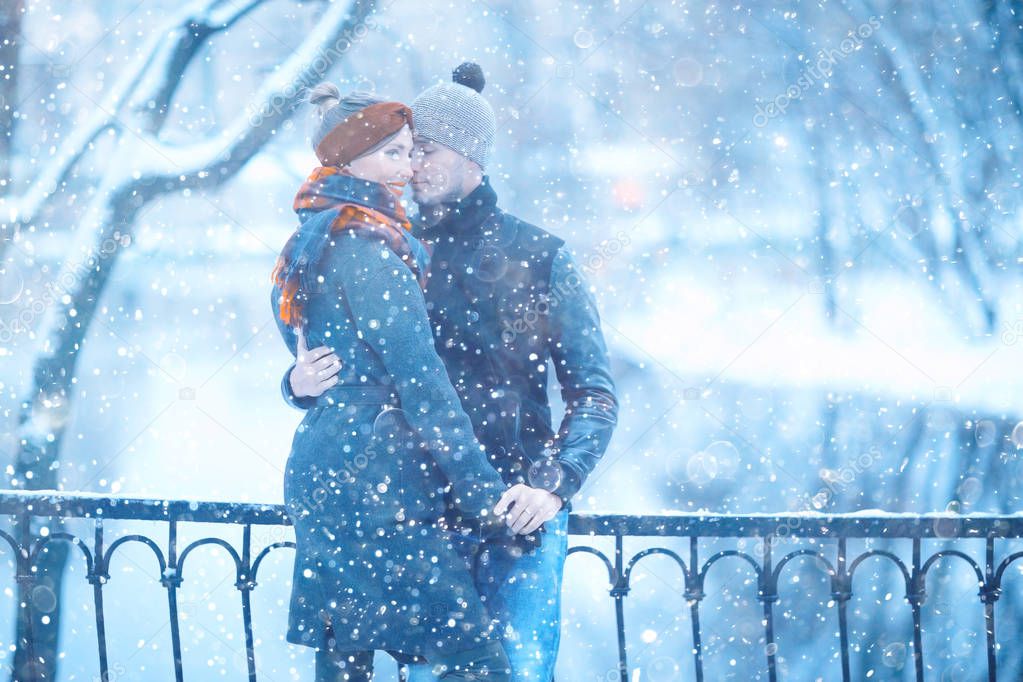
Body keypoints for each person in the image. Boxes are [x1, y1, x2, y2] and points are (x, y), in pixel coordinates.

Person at [285, 63, 619, 680]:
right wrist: (298, 384)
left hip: (518, 509)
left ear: (472, 157)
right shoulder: (381, 245)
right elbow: (353, 365)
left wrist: (553, 483)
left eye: (426, 151)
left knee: (513, 670)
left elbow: (594, 394)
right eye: (405, 152)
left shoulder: (540, 255)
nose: (411, 166)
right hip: (416, 510)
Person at [270, 84, 513, 681]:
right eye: (393, 154)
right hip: (375, 484)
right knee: (476, 661)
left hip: (334, 468)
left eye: (410, 153)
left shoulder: (315, 237)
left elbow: (317, 358)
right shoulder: (370, 250)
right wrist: (486, 495)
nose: (407, 169)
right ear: (349, 161)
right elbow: (423, 385)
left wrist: (295, 387)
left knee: (346, 656)